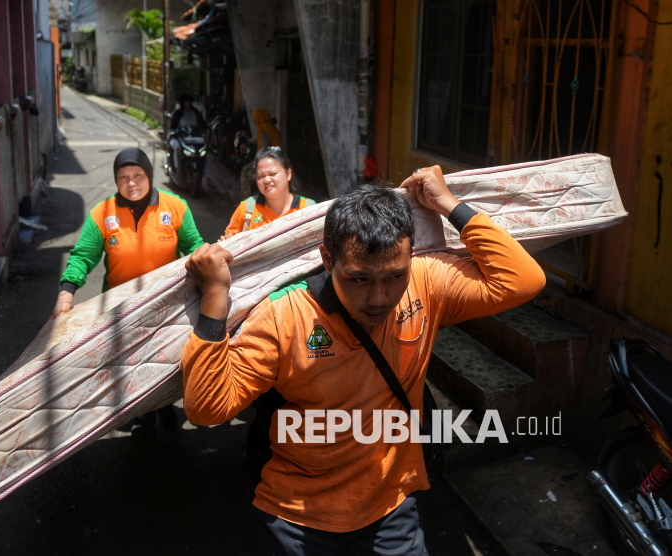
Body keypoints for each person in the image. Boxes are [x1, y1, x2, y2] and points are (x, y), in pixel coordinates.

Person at [181, 166, 546, 555]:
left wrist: (448, 204)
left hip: (391, 508)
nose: (379, 298)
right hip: (295, 518)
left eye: (393, 277)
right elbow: (207, 408)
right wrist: (216, 294)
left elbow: (522, 280)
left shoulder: (425, 282)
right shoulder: (285, 315)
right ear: (327, 259)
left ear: (410, 256)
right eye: (359, 279)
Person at [52, 147, 204, 437]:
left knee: (167, 358)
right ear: (115, 180)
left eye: (137, 175)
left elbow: (194, 246)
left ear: (149, 174)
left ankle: (165, 404)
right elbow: (83, 256)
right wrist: (66, 291)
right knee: (131, 361)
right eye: (123, 177)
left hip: (166, 302)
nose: (131, 182)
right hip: (121, 308)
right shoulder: (103, 213)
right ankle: (142, 411)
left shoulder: (174, 206)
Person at [221, 147, 316, 241]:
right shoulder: (246, 209)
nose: (266, 180)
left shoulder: (310, 209)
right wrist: (227, 241)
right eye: (261, 176)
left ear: (288, 174)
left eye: (273, 174)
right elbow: (226, 243)